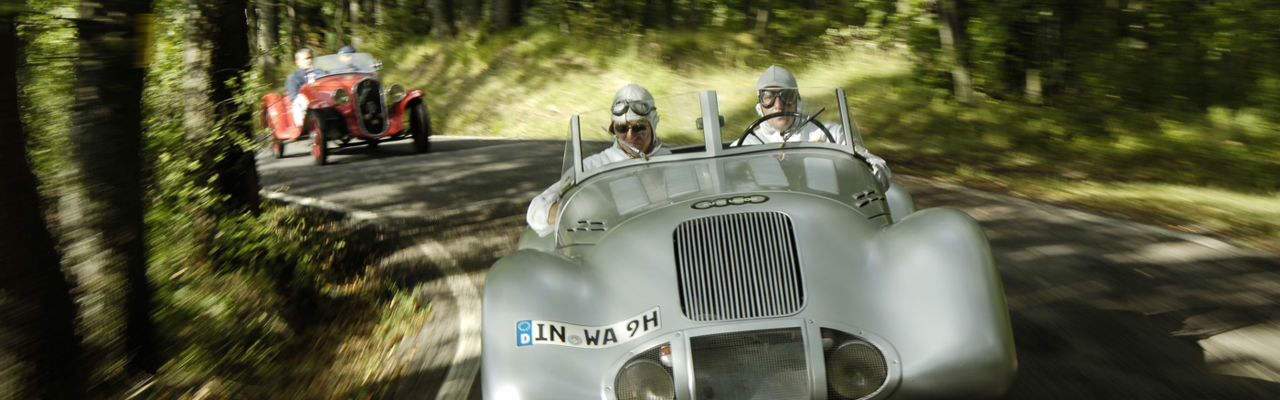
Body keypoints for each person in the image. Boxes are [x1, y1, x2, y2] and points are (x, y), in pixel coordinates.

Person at [526, 83, 671, 237]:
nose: (630, 136)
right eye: (622, 128)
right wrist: (579, 209)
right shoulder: (594, 166)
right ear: (613, 129)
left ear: (653, 124)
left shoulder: (672, 160)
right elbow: (536, 211)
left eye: (638, 128)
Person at [737, 64, 893, 188]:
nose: (778, 106)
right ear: (759, 105)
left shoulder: (830, 134)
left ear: (797, 101)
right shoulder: (746, 144)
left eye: (787, 96)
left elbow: (879, 170)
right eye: (768, 97)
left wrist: (849, 170)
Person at [284, 48, 318, 126]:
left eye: (310, 58)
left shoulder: (319, 72)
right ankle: (304, 127)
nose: (309, 61)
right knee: (298, 102)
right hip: (306, 108)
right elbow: (294, 99)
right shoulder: (293, 78)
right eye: (306, 59)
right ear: (298, 62)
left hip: (322, 102)